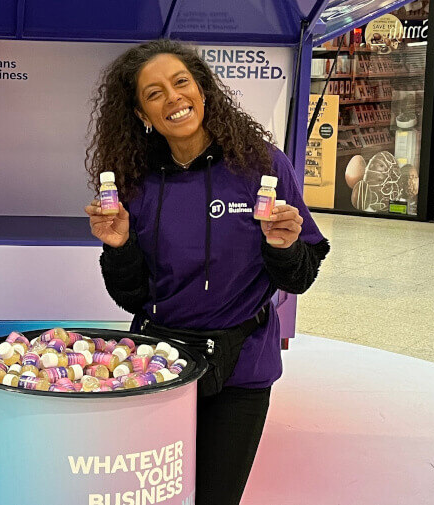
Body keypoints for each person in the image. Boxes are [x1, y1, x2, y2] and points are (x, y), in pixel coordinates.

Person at [83, 39, 329, 505]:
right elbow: (131, 296)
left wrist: (285, 248)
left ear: (202, 89)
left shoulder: (261, 165)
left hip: (243, 368)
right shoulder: (131, 179)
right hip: (156, 367)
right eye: (154, 94)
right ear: (141, 113)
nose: (173, 98)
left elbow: (299, 277)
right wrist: (118, 248)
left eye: (181, 83)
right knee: (155, 497)